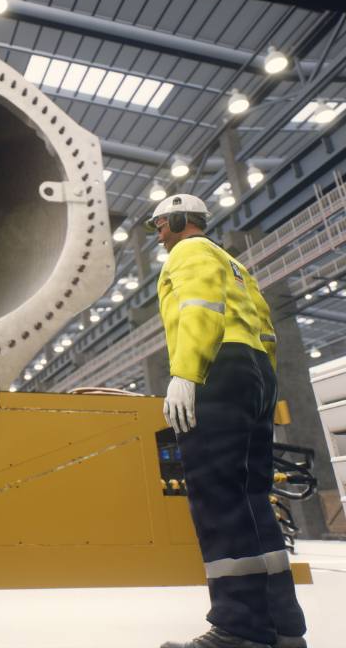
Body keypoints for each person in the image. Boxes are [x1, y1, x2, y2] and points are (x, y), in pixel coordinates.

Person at [147, 194, 307, 648]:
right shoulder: (234, 264)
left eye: (160, 224)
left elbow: (200, 309)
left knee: (218, 499)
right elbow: (268, 330)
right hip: (255, 372)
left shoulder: (189, 251)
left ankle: (239, 628)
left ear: (180, 221)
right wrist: (264, 386)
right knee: (254, 499)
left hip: (217, 367)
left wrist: (186, 373)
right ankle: (282, 628)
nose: (158, 234)